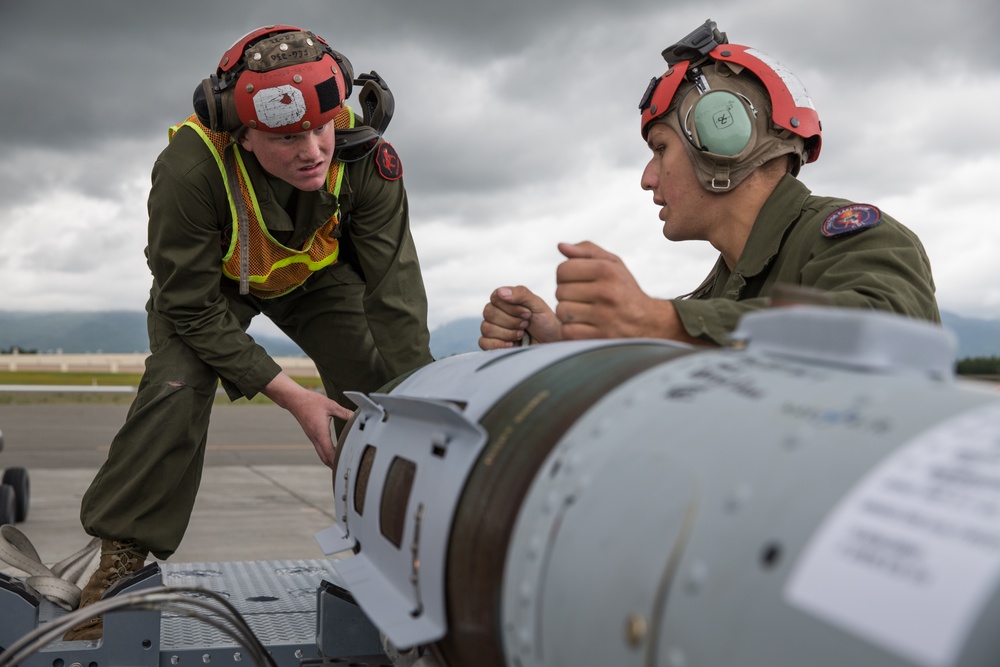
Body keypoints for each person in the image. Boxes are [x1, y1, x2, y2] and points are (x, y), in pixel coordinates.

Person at [64, 25, 433, 640]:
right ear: (241, 133)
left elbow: (395, 295)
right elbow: (188, 305)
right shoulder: (189, 169)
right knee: (177, 385)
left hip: (314, 280)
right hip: (214, 294)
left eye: (322, 127)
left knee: (382, 386)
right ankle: (121, 560)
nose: (314, 150)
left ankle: (400, 539)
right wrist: (293, 396)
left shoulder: (366, 155)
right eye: (287, 137)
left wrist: (418, 408)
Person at [479, 20, 939, 350]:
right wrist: (565, 343)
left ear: (724, 141)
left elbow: (889, 331)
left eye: (660, 149)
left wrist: (657, 320)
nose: (647, 178)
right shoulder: (719, 292)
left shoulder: (854, 237)